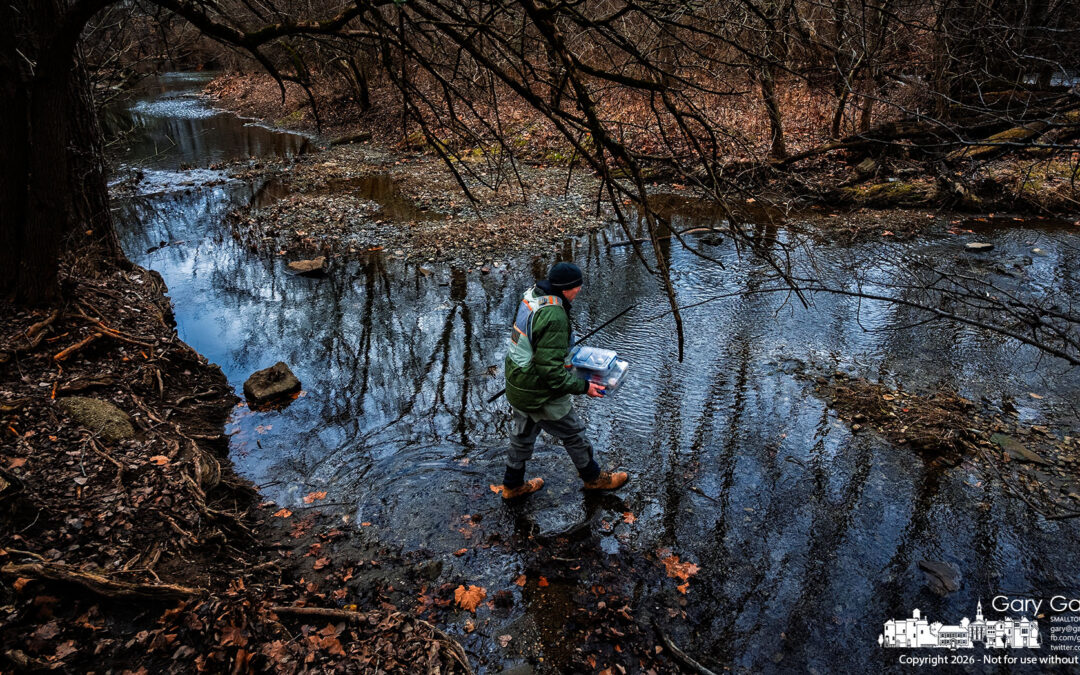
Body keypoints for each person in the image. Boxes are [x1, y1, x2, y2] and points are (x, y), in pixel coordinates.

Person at [499, 262, 629, 499]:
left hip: (517, 382)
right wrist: (584, 386)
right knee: (573, 433)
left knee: (522, 435)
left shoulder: (533, 295)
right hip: (539, 390)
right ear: (566, 288)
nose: (579, 290)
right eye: (577, 286)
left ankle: (512, 485)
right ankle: (593, 479)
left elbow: (539, 348)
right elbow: (551, 373)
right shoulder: (554, 315)